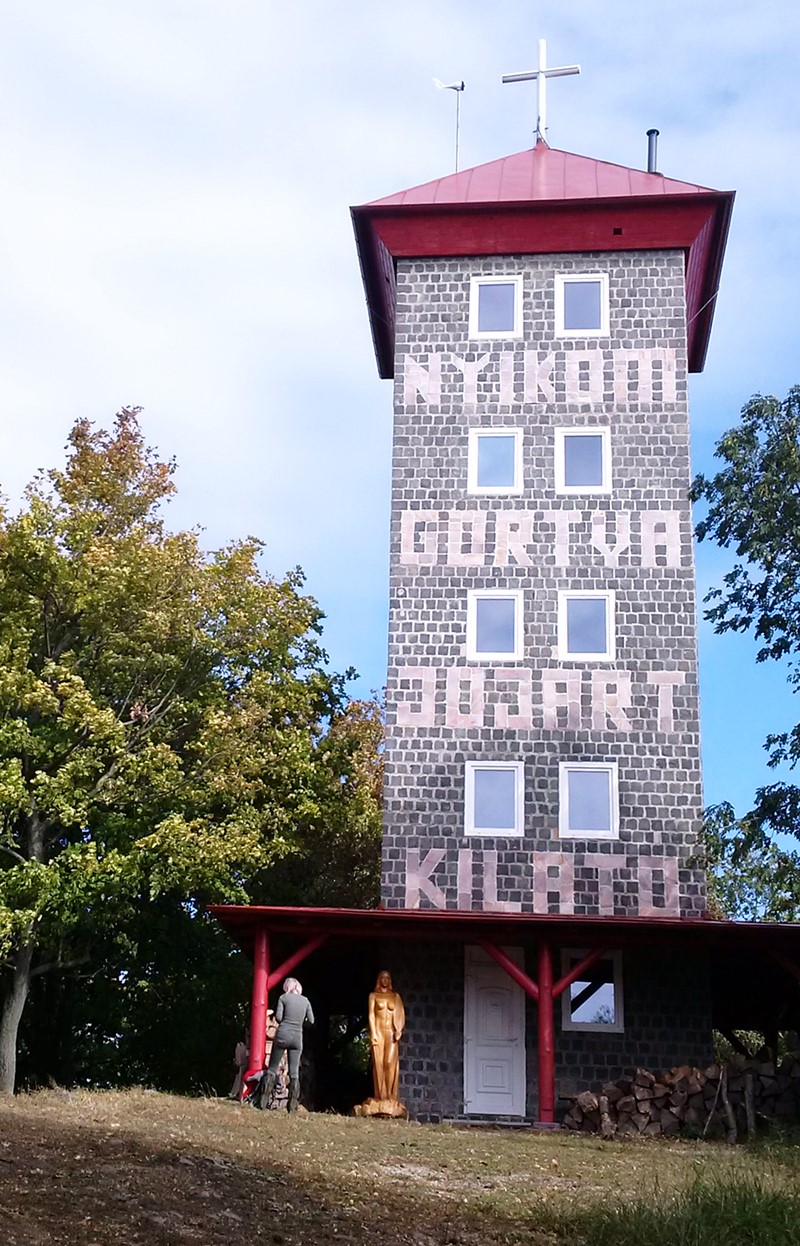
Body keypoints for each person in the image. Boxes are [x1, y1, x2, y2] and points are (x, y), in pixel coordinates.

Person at [261, 977, 314, 1113]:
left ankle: (263, 1102)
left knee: (272, 1068)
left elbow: (279, 1017)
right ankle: (292, 1106)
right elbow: (311, 1020)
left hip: (283, 1034)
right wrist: (299, 1022)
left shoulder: (283, 998)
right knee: (294, 1072)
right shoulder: (306, 1001)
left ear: (287, 987)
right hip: (297, 1037)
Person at [368, 970, 405, 1102]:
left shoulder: (395, 997)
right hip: (379, 1032)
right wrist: (373, 1032)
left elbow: (400, 1014)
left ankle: (390, 1095)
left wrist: (398, 1030)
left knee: (389, 1062)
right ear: (379, 980)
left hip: (390, 1033)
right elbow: (371, 1015)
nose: (385, 980)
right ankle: (380, 1095)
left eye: (387, 978)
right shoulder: (373, 996)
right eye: (382, 977)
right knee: (379, 1063)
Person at [229, 1027, 249, 1100]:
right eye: (247, 1036)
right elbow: (238, 1062)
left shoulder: (248, 1046)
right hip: (242, 1069)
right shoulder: (240, 1046)